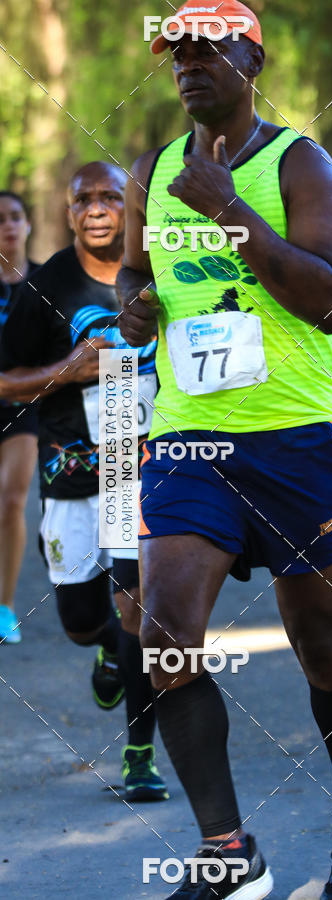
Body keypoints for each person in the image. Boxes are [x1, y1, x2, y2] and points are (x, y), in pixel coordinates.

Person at [117, 3, 332, 898]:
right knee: (163, 638)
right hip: (190, 439)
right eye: (176, 53)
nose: (188, 66)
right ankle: (230, 852)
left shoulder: (298, 164)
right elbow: (133, 276)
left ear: (252, 58)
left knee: (321, 646)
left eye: (207, 50)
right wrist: (134, 309)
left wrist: (229, 208)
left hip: (294, 439)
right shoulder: (156, 170)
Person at [0, 163, 168, 801]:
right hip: (69, 469)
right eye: (83, 199)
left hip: (141, 467)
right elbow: (4, 381)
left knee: (139, 610)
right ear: (67, 212)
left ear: (131, 207)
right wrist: (68, 372)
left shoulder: (162, 273)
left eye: (110, 197)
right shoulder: (44, 286)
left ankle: (139, 757)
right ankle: (102, 648)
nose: (97, 209)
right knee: (79, 617)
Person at [0, 191, 42, 644]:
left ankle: (5, 607)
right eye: (0, 220)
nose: (8, 227)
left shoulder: (47, 283)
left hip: (24, 410)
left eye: (15, 217)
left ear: (28, 225)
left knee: (12, 501)